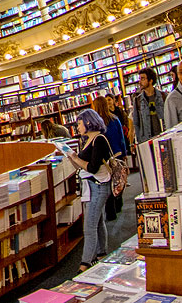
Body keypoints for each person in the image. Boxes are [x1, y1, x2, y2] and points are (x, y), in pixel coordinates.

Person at [62, 109, 112, 271]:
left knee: (89, 226)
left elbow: (92, 167)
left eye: (79, 124)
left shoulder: (99, 140)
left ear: (88, 122)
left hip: (98, 186)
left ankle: (85, 263)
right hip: (90, 187)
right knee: (97, 222)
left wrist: (76, 158)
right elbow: (82, 165)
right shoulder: (87, 140)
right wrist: (72, 157)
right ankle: (101, 253)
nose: (77, 127)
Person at [93, 97, 127, 220]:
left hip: (105, 157)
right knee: (119, 178)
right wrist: (124, 153)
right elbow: (121, 137)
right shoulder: (115, 119)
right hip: (117, 153)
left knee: (108, 182)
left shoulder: (95, 124)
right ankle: (119, 203)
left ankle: (110, 211)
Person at [132, 68, 166, 142]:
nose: (140, 82)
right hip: (147, 139)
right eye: (139, 79)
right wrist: (139, 141)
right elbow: (136, 123)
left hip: (163, 136)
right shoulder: (137, 100)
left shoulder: (163, 96)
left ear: (150, 80)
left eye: (143, 79)